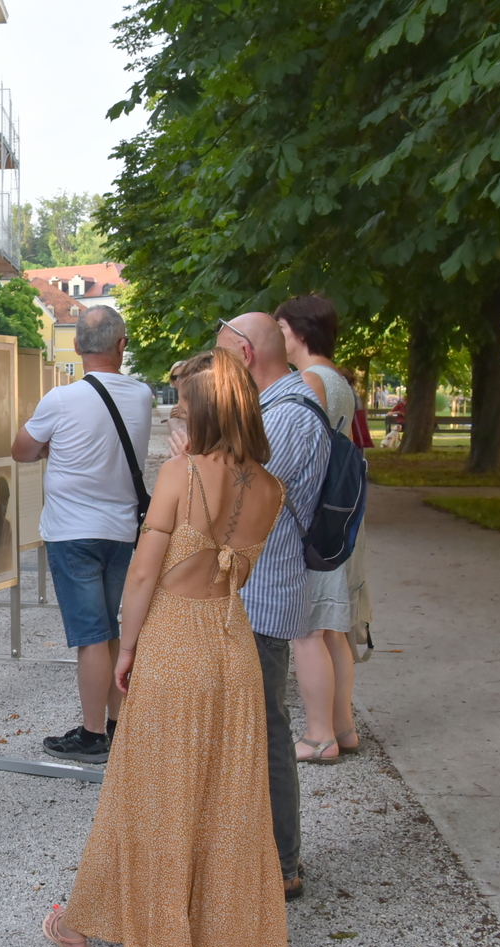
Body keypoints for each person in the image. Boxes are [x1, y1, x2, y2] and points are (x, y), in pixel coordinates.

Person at [43, 349, 289, 947]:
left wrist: (126, 647)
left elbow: (145, 573)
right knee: (225, 795)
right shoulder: (270, 486)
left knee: (146, 790)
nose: (175, 413)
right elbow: (239, 568)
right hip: (232, 641)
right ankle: (215, 942)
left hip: (176, 640)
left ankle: (82, 924)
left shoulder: (182, 474)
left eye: (182, 405)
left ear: (203, 411)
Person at [216, 311, 329, 900]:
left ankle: (282, 862)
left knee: (264, 726)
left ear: (244, 353)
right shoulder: (279, 409)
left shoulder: (283, 415)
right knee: (258, 723)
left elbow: (239, 497)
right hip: (261, 587)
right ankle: (267, 853)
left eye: (220, 357)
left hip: (263, 592)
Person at [12, 306, 154, 764]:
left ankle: (93, 736)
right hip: (123, 531)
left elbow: (22, 450)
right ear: (122, 345)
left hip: (73, 533)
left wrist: (55, 445)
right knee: (112, 630)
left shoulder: (61, 399)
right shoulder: (142, 396)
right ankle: (118, 727)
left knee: (91, 635)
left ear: (76, 347)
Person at [276, 294, 361, 763]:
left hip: (313, 517)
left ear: (300, 331)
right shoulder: (338, 378)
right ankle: (342, 727)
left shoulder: (309, 380)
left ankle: (318, 735)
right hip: (336, 515)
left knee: (307, 629)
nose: (277, 336)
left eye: (281, 327)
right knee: (332, 630)